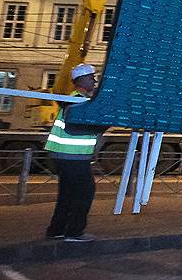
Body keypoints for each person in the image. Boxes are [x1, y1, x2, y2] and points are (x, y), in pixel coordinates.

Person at [44, 64, 106, 243]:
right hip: (71, 155)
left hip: (65, 155)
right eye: (91, 78)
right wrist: (104, 124)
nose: (94, 81)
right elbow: (78, 127)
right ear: (81, 80)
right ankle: (74, 232)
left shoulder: (75, 99)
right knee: (85, 191)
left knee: (67, 194)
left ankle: (56, 230)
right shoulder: (77, 101)